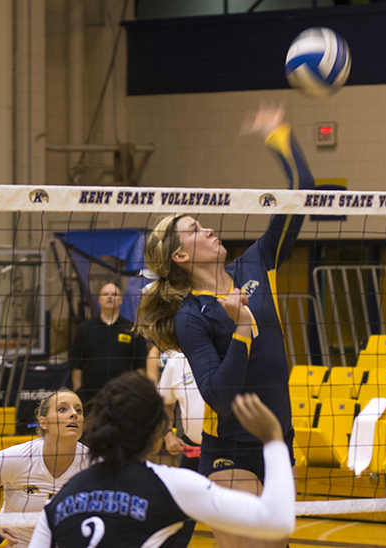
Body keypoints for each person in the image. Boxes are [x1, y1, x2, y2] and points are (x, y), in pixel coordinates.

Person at [136, 104, 312, 548]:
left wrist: (278, 135)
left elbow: (303, 190)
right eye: (195, 230)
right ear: (180, 256)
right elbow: (216, 393)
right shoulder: (192, 315)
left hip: (279, 439)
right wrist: (240, 329)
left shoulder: (256, 262)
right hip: (232, 449)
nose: (210, 229)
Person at [28, 373, 295, 548]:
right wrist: (273, 440)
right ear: (157, 432)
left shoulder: (61, 498)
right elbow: (279, 521)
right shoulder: (171, 485)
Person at [0, 389, 88, 547]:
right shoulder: (14, 458)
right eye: (62, 409)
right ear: (43, 423)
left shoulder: (93, 464)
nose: (74, 414)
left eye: (79, 410)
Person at [70, 282, 147, 406]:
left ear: (121, 300)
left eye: (114, 294)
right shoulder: (85, 329)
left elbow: (141, 367)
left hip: (125, 399)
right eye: (106, 294)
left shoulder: (132, 329)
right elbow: (76, 366)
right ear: (99, 300)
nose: (110, 297)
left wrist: (140, 394)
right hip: (91, 399)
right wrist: (78, 394)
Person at [158, 349, 205, 548]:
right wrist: (167, 434)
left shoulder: (224, 351)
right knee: (181, 515)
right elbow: (165, 405)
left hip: (227, 449)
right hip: (192, 448)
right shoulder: (176, 362)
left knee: (239, 513)